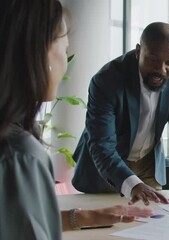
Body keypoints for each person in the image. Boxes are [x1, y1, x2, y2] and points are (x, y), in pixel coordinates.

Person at [0, 1, 153, 238]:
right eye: (63, 47)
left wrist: (85, 217)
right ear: (38, 54)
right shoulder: (19, 154)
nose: (65, 59)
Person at [72, 22, 169, 207]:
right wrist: (132, 184)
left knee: (154, 222)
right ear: (139, 51)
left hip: (148, 164)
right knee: (108, 226)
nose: (161, 70)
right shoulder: (106, 79)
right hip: (108, 167)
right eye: (153, 60)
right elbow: (101, 144)